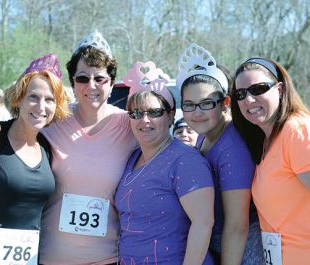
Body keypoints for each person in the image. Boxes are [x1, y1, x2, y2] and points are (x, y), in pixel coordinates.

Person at [38, 31, 137, 265]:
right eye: (82, 78)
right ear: (72, 83)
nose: (91, 85)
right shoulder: (52, 121)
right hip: (50, 258)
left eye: (99, 78)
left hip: (107, 259)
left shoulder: (131, 125)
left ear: (112, 84)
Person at [115, 61, 214, 264]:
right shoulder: (132, 158)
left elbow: (203, 223)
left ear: (170, 116)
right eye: (136, 113)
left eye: (154, 112)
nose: (144, 120)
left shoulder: (186, 160)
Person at [0, 53, 69, 265]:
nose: (41, 107)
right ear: (19, 98)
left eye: (49, 100)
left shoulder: (47, 146)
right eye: (33, 97)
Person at [176, 43, 264, 265]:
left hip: (243, 252)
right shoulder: (207, 135)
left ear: (225, 103)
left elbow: (238, 225)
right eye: (189, 105)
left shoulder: (232, 148)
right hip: (217, 245)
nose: (197, 113)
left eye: (206, 103)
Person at [231, 57, 310, 265]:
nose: (248, 99)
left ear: (280, 89)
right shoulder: (264, 141)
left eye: (258, 89)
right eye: (240, 94)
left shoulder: (296, 130)